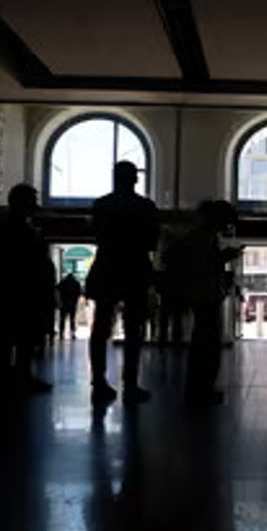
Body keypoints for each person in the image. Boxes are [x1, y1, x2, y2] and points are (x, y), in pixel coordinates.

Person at [86, 161, 159, 405]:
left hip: (106, 267)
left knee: (100, 326)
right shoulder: (145, 207)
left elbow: (96, 235)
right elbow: (151, 242)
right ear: (134, 179)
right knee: (133, 329)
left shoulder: (101, 205)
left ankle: (98, 381)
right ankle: (131, 384)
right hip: (135, 269)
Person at [182, 200, 241, 405]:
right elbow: (204, 266)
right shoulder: (203, 238)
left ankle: (200, 387)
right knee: (206, 342)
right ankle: (202, 388)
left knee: (203, 341)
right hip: (205, 296)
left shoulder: (199, 236)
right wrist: (224, 257)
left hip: (202, 295)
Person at [0, 184, 54, 393]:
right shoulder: (24, 232)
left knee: (10, 338)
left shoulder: (8, 229)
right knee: (24, 339)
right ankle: (22, 378)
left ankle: (7, 378)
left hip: (12, 292)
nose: (35, 205)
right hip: (24, 293)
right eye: (32, 200)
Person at [56, 272, 82, 339]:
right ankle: (72, 333)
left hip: (64, 303)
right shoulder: (76, 283)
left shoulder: (63, 282)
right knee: (72, 319)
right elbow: (79, 293)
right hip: (72, 303)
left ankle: (61, 333)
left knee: (62, 319)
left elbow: (57, 289)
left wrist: (59, 301)